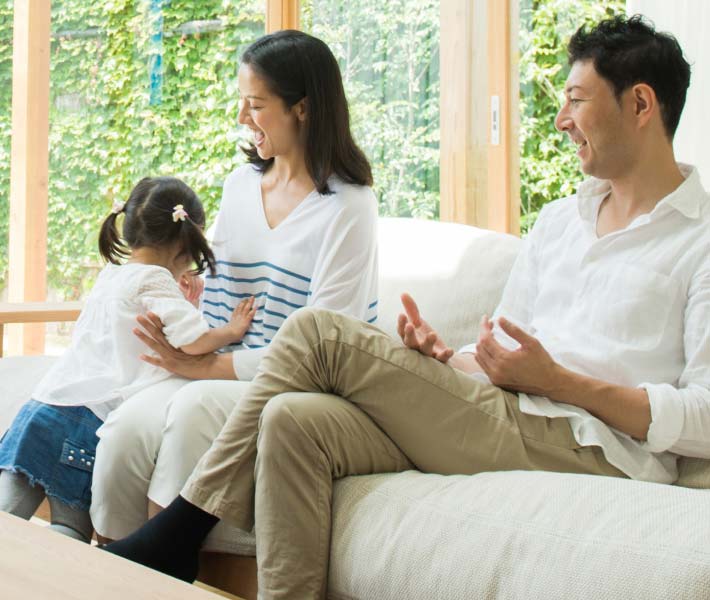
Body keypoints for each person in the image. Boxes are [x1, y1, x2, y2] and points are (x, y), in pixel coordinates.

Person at [104, 14, 710, 599]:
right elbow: (502, 350)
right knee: (292, 420)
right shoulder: (559, 222)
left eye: (577, 100)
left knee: (320, 334)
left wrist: (559, 382)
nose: (560, 120)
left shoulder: (700, 240)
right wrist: (451, 359)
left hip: (593, 446)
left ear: (639, 105)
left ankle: (181, 529)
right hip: (505, 409)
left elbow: (704, 416)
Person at [89, 29, 378, 541]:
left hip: (292, 382)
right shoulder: (240, 186)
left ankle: (162, 566)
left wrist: (205, 366)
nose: (242, 118)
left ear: (303, 109)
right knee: (127, 428)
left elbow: (327, 349)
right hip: (219, 364)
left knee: (193, 408)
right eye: (242, 102)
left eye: (256, 104)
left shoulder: (348, 206)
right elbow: (218, 299)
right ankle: (109, 566)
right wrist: (187, 330)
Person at [0, 176, 255, 543]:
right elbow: (194, 340)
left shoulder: (112, 274)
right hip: (85, 420)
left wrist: (182, 302)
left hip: (42, 407)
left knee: (8, 514)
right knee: (67, 532)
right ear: (185, 243)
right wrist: (231, 331)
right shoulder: (155, 280)